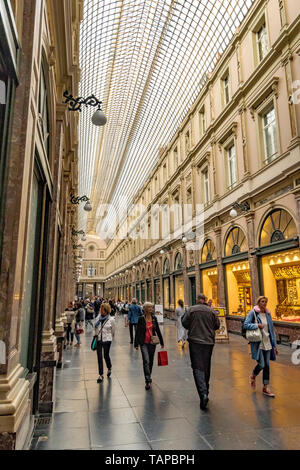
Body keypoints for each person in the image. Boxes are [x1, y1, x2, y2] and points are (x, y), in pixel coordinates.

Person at [182, 293, 220, 410]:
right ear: (204, 300)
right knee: (206, 365)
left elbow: (184, 323)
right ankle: (206, 391)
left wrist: (194, 326)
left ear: (197, 299)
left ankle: (203, 393)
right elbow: (217, 326)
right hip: (208, 342)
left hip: (195, 342)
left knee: (197, 367)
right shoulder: (212, 311)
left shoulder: (191, 310)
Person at [244, 296, 278, 397]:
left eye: (266, 301)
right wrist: (256, 325)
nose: (264, 303)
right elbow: (245, 324)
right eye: (262, 301)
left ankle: (265, 387)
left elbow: (271, 330)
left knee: (267, 366)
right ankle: (253, 375)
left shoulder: (268, 314)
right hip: (258, 342)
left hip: (267, 343)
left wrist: (274, 345)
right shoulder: (253, 313)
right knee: (262, 364)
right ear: (258, 302)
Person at [134, 302, 164, 390]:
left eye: (152, 307)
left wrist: (162, 342)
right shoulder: (141, 319)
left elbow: (157, 330)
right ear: (145, 309)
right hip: (143, 343)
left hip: (152, 343)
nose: (151, 309)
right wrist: (136, 344)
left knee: (150, 361)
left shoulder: (154, 318)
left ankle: (149, 375)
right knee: (146, 360)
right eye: (149, 307)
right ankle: (147, 380)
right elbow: (138, 332)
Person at [94, 302, 116, 383]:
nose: (100, 310)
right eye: (100, 309)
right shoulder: (98, 318)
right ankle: (101, 374)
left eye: (102, 309)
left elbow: (113, 330)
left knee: (106, 355)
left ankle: (109, 367)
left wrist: (110, 337)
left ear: (106, 311)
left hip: (107, 340)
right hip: (99, 339)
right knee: (99, 357)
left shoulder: (111, 320)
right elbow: (95, 327)